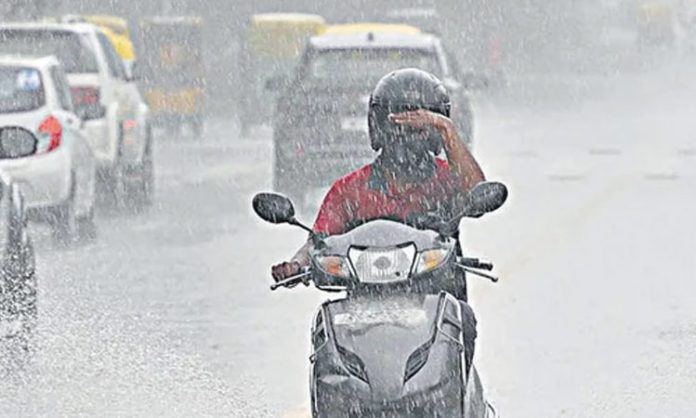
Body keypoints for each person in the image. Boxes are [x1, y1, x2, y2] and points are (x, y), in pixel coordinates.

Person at [271, 68, 485, 369]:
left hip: (436, 305)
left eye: (420, 127)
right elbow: (318, 240)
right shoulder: (350, 190)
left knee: (465, 321)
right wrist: (297, 265)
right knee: (325, 336)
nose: (408, 136)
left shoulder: (449, 181)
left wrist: (447, 130)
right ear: (378, 129)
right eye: (400, 125)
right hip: (361, 315)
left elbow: (478, 193)